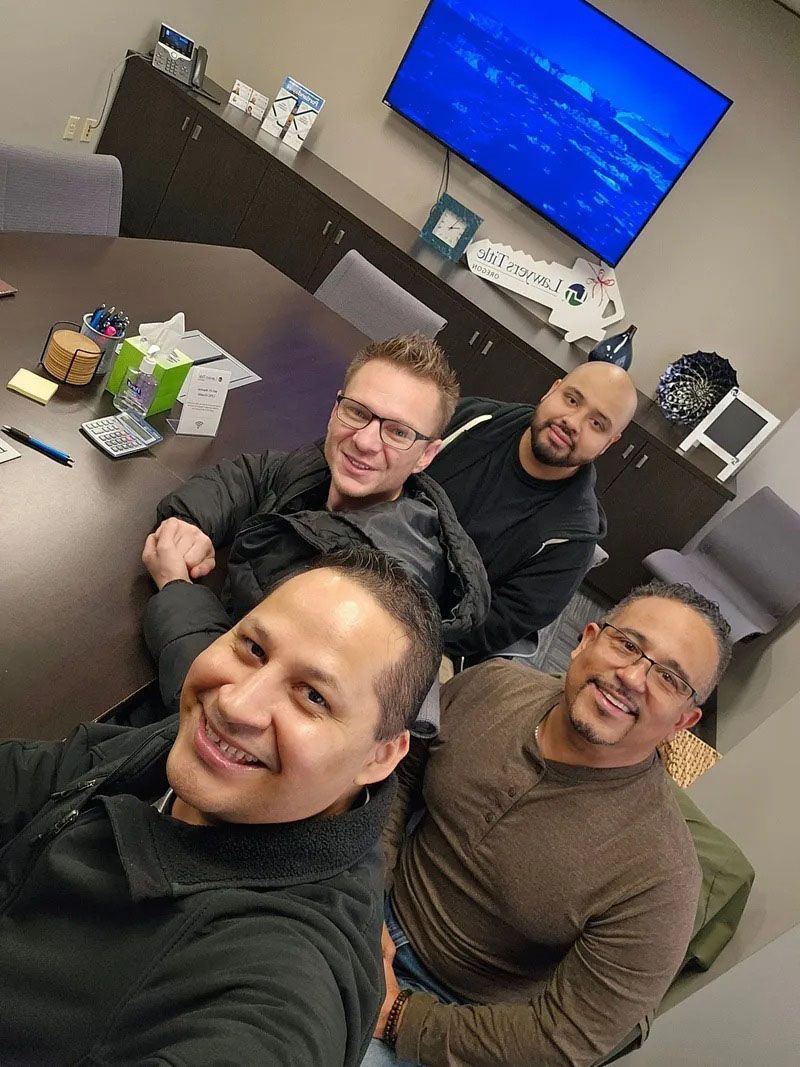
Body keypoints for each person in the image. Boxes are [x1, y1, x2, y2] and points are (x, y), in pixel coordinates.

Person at [0, 548, 442, 1065]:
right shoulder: (212, 752)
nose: (237, 703)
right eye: (253, 647)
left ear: (379, 756)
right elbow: (49, 772)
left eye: (314, 697)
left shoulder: (281, 977)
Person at [368, 581, 734, 1067]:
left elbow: (565, 1040)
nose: (633, 677)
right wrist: (365, 894)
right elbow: (403, 769)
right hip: (372, 897)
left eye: (668, 677)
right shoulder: (492, 685)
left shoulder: (662, 880)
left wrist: (398, 1016)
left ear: (682, 723)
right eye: (627, 645)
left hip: (454, 1017)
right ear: (586, 640)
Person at [141, 335, 489, 721]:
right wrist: (188, 523)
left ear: (426, 455)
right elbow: (254, 476)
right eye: (358, 412)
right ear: (335, 407)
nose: (365, 441)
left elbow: (231, 702)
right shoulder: (331, 467)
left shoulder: (370, 591)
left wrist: (174, 586)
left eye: (398, 432)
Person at [426, 362, 639, 667]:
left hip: (429, 630)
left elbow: (489, 627)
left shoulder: (572, 543)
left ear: (609, 443)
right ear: (552, 390)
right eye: (572, 399)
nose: (572, 422)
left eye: (597, 424)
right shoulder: (472, 420)